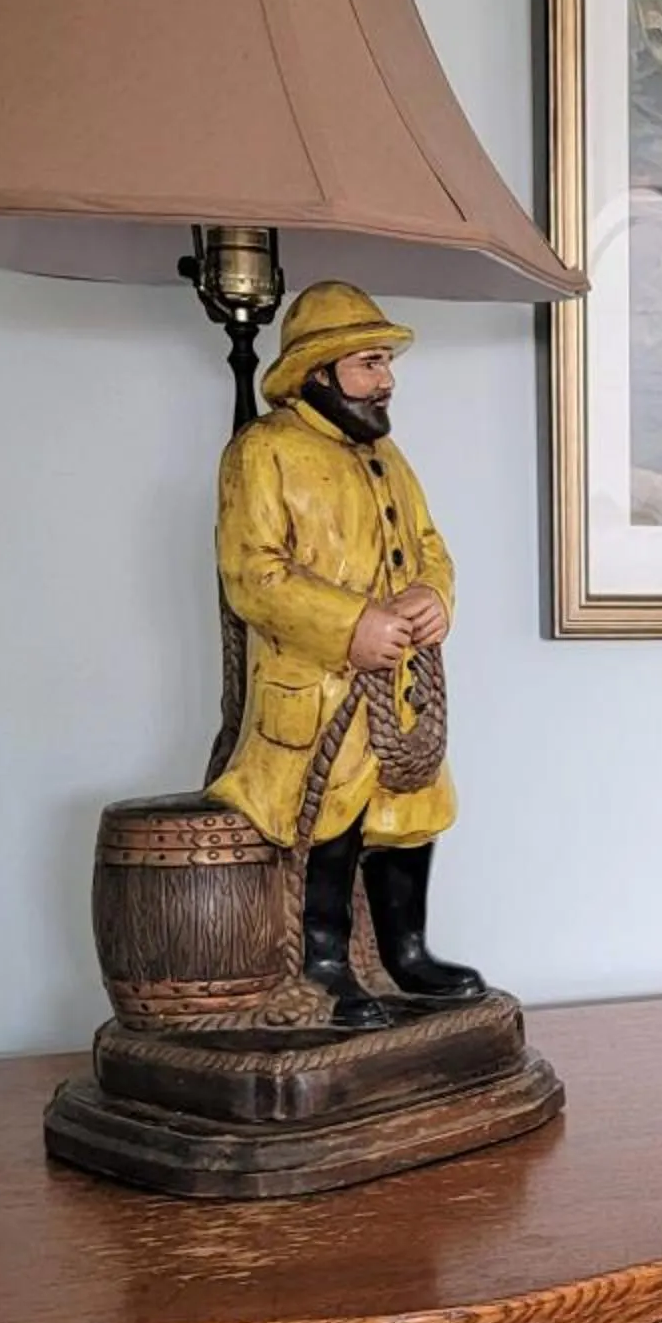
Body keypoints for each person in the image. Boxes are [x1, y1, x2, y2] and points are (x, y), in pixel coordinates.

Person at [208, 280, 482, 1030]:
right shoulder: (263, 452)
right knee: (329, 820)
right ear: (320, 371)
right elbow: (253, 575)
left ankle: (407, 952)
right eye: (369, 363)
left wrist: (434, 595)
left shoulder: (387, 455)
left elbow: (429, 546)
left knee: (410, 812)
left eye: (385, 363)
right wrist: (350, 623)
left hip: (400, 693)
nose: (386, 379)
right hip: (318, 691)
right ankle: (322, 965)